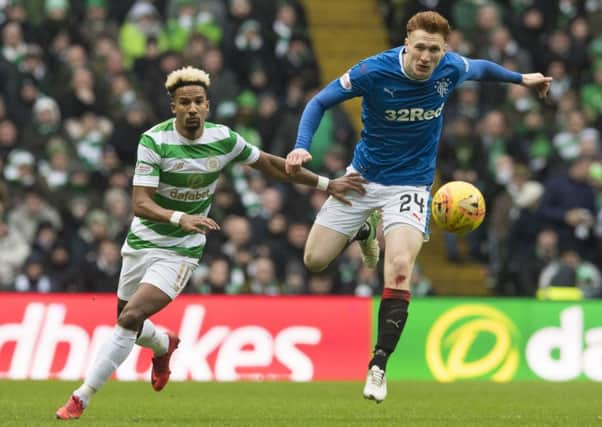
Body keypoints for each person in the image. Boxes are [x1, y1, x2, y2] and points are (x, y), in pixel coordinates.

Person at [55, 65, 366, 420]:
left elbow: (270, 164)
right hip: (143, 240)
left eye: (198, 102)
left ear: (207, 105)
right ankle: (164, 344)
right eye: (184, 102)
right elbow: (140, 202)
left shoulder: (224, 139)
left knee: (130, 317)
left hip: (182, 248)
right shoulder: (154, 141)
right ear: (173, 106)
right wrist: (180, 217)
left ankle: (81, 397)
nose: (191, 108)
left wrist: (327, 184)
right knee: (131, 324)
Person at [285, 11, 552, 403]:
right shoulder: (372, 71)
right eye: (421, 47)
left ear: (444, 49)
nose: (427, 57)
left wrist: (521, 78)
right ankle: (362, 229)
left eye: (436, 49)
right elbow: (320, 100)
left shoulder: (450, 67)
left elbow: (478, 67)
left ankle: (378, 365)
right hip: (362, 179)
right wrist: (302, 143)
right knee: (314, 260)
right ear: (407, 43)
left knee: (397, 270)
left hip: (411, 185)